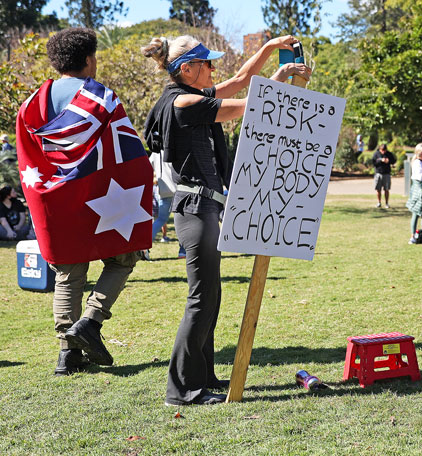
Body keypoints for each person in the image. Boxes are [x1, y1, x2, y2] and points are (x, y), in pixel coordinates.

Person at [143, 33, 310, 407]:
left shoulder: (191, 94)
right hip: (196, 211)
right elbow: (249, 105)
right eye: (207, 64)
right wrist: (281, 79)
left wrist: (268, 51)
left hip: (204, 209)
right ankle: (182, 390)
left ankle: (202, 377)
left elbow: (238, 82)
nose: (214, 70)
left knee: (211, 297)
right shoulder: (184, 102)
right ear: (187, 69)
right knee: (201, 300)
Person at [16, 27, 152, 377]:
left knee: (67, 274)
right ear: (89, 59)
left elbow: (28, 159)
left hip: (57, 201)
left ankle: (67, 355)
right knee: (124, 259)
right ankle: (90, 321)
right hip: (101, 196)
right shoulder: (102, 99)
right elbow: (125, 151)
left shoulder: (33, 105)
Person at [150, 152, 177, 243]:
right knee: (183, 221)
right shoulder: (174, 146)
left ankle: (144, 246)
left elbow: (148, 166)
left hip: (163, 190)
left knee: (160, 220)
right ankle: (183, 251)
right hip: (177, 188)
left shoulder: (155, 152)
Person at [406, 143, 422, 244]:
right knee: (416, 213)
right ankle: (412, 236)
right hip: (418, 189)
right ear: (420, 152)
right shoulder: (417, 162)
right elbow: (420, 176)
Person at [372, 143, 396, 208]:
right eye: (382, 150)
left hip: (386, 173)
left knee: (386, 189)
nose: (383, 151)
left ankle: (387, 203)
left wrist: (389, 161)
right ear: (380, 149)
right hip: (378, 173)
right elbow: (373, 163)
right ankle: (379, 202)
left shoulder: (389, 154)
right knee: (378, 189)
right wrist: (380, 160)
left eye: (384, 150)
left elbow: (394, 161)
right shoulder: (376, 154)